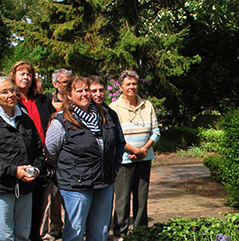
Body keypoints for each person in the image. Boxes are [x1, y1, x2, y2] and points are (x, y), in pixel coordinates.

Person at [46, 76, 124, 241]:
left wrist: (115, 166)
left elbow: (117, 143)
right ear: (69, 95)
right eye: (79, 90)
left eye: (87, 90)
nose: (85, 94)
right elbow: (51, 151)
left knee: (100, 232)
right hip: (76, 184)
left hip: (103, 181)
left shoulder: (107, 116)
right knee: (75, 231)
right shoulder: (61, 120)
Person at [0, 76, 46, 241]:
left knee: (22, 235)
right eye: (4, 92)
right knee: (4, 236)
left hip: (25, 188)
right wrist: (14, 171)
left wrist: (35, 169)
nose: (10, 95)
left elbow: (38, 151)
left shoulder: (25, 119)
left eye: (12, 90)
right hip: (0, 188)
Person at [6, 61, 54, 241]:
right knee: (18, 212)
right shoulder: (10, 101)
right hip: (20, 162)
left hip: (42, 160)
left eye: (29, 74)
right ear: (13, 76)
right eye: (21, 74)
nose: (25, 77)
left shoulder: (41, 100)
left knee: (37, 209)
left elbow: (51, 123)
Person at [109, 70, 160, 240]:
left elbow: (156, 131)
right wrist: (133, 150)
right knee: (122, 201)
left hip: (144, 158)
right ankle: (120, 235)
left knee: (141, 199)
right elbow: (115, 136)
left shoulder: (148, 105)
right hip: (123, 160)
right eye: (128, 84)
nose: (131, 87)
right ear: (121, 87)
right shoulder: (114, 108)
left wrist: (143, 149)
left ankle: (140, 233)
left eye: (134, 84)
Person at [40, 68, 71, 240]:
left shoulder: (75, 100)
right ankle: (55, 226)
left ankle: (71, 226)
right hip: (51, 153)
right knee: (54, 194)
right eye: (64, 82)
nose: (67, 85)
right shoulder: (46, 101)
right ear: (55, 84)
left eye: (69, 81)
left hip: (69, 153)